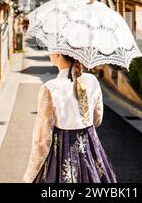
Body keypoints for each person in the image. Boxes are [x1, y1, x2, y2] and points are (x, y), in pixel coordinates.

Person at [22, 53, 117, 183]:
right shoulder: (92, 81)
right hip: (90, 148)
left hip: (61, 152)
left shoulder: (49, 88)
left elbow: (42, 140)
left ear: (58, 54)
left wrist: (30, 175)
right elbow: (97, 120)